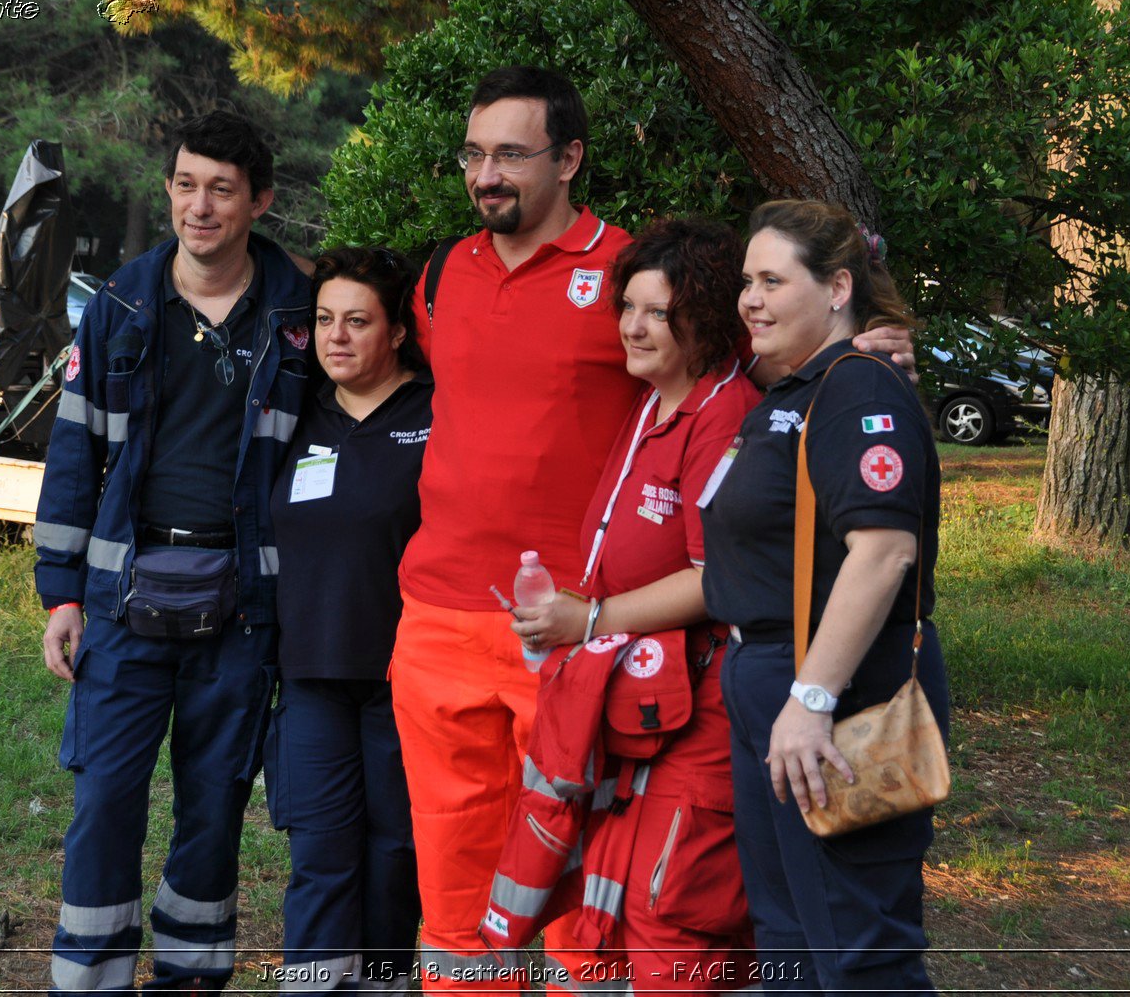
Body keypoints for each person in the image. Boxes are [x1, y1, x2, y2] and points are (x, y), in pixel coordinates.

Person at [391, 65, 915, 993]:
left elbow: (759, 388)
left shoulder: (648, 295)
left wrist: (859, 348)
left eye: (512, 152)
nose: (488, 173)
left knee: (609, 892)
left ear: (570, 159)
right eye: (475, 154)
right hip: (451, 620)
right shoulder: (443, 277)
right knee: (469, 885)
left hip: (607, 646)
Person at [34, 110, 313, 994]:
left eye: (223, 189)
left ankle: (189, 977)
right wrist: (61, 596)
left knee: (214, 806)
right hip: (122, 600)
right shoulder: (120, 304)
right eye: (187, 184)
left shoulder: (300, 318)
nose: (201, 206)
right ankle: (90, 979)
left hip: (241, 607)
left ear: (258, 201)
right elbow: (74, 452)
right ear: (169, 188)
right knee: (105, 799)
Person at [499, 217, 762, 991]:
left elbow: (720, 578)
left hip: (699, 716)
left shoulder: (724, 414)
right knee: (609, 913)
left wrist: (591, 621)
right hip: (637, 710)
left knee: (672, 911)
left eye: (658, 312)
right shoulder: (651, 402)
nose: (634, 326)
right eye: (629, 307)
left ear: (705, 319)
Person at [701, 199, 950, 995]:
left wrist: (810, 696)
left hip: (833, 694)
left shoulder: (855, 388)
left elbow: (883, 553)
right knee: (789, 938)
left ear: (838, 286)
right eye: (748, 280)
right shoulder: (793, 389)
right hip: (772, 687)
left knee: (859, 948)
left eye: (773, 280)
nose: (751, 299)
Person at [265, 247, 429, 993]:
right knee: (321, 854)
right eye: (325, 319)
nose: (336, 336)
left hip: (406, 679)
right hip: (310, 675)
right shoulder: (295, 413)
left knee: (396, 851)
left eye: (358, 321)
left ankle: (386, 984)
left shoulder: (435, 415)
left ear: (396, 331)